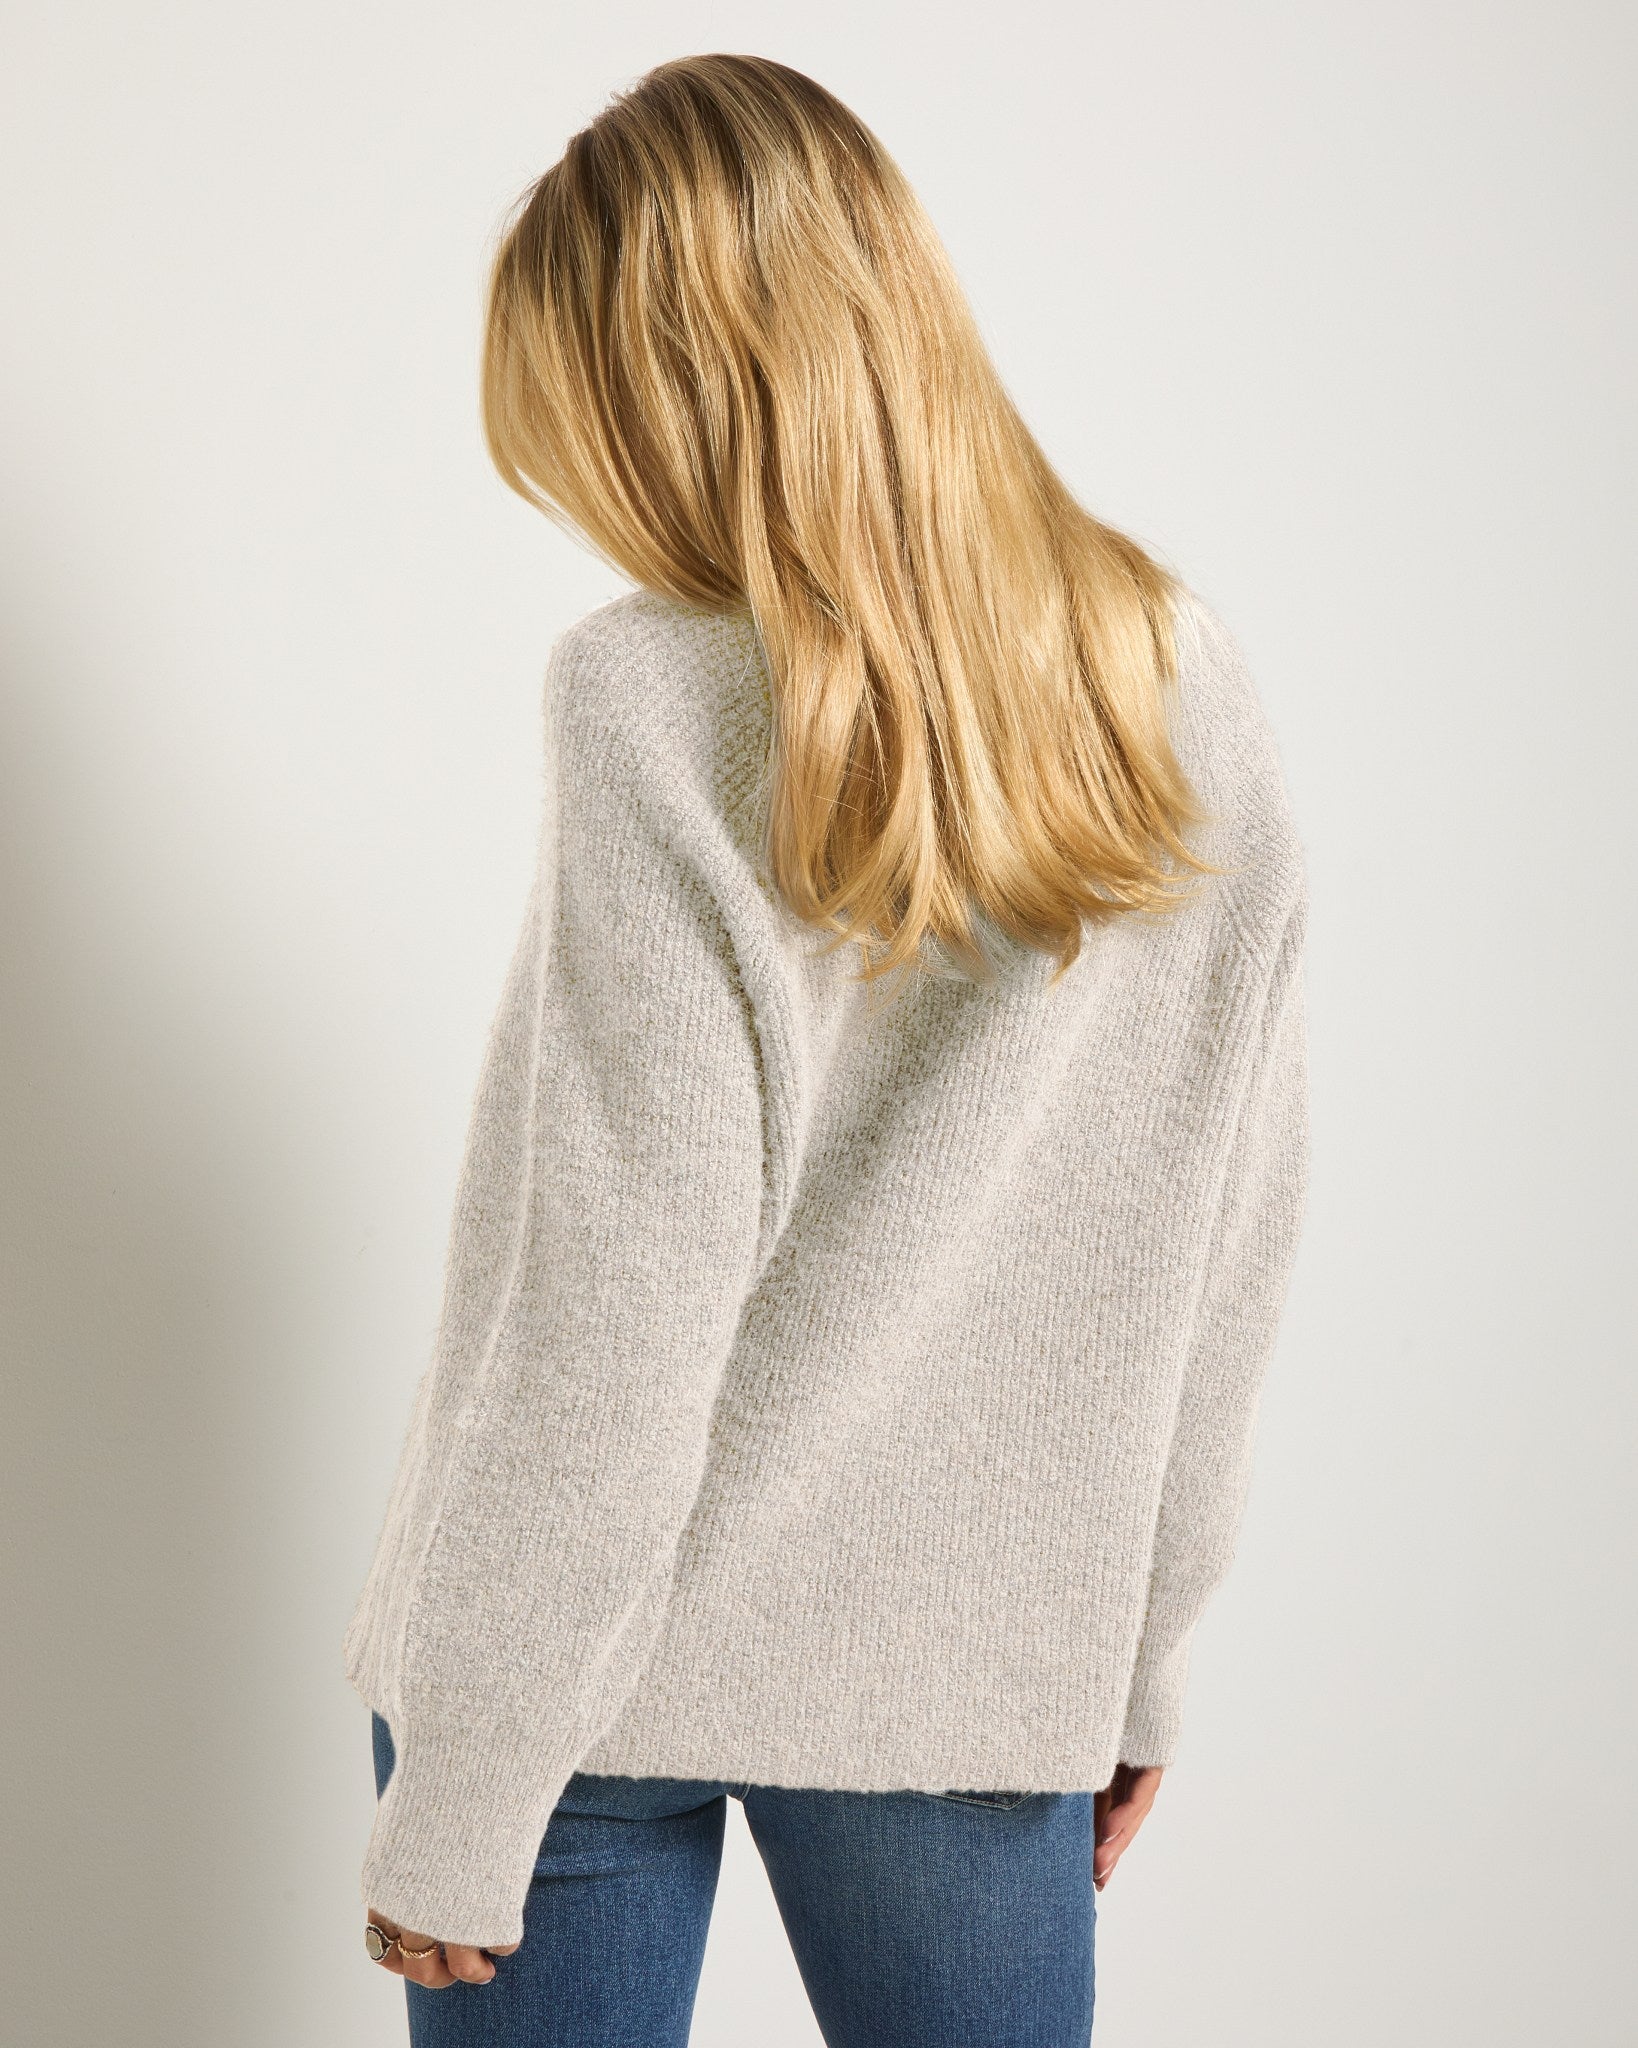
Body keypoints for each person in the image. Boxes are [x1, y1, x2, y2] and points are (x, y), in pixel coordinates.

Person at [343, 51, 1310, 2048]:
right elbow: (1229, 1238)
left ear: (670, 394)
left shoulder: (649, 694)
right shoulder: (1182, 679)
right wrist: (1138, 1653)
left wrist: (468, 1772)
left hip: (577, 1689)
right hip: (969, 1669)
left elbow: (617, 1293)